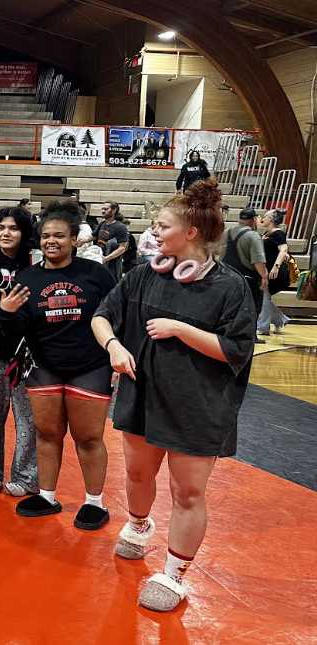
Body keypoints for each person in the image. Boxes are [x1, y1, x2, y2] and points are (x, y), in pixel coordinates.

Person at [92, 178, 256, 612]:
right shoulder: (143, 275)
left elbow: (235, 350)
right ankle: (140, 525)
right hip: (141, 398)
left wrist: (180, 329)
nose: (154, 231)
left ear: (191, 234)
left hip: (198, 408)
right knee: (138, 476)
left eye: (162, 225)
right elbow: (101, 317)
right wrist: (113, 346)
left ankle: (175, 573)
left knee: (187, 494)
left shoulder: (231, 287)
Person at [0, 199, 116, 531]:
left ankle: (95, 502)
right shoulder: (27, 277)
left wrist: (117, 356)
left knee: (89, 437)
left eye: (60, 236)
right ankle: (48, 496)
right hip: (45, 366)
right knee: (47, 434)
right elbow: (14, 330)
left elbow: (116, 317)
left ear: (75, 238)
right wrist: (5, 313)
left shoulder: (96, 275)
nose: (52, 241)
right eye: (46, 235)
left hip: (90, 366)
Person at [0, 206, 39, 496]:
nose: (6, 233)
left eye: (12, 228)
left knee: (28, 419)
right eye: (0, 227)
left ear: (24, 232)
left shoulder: (37, 261)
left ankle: (25, 477)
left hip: (29, 355)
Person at [219, 208, 267, 341]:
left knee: (228, 307)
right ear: (253, 220)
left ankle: (226, 332)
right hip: (247, 279)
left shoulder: (227, 233)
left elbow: (220, 254)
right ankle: (249, 335)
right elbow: (258, 260)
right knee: (252, 307)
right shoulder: (253, 236)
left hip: (226, 275)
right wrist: (264, 276)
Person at [257, 209, 291, 336]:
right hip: (265, 270)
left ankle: (263, 327)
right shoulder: (268, 232)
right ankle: (281, 319)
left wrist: (276, 267)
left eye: (265, 216)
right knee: (264, 297)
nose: (263, 218)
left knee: (264, 297)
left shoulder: (278, 234)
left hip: (273, 271)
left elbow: (283, 250)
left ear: (271, 219)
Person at [96, 202, 129, 281]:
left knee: (111, 285)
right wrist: (81, 241)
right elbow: (93, 236)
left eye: (106, 209)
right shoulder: (102, 224)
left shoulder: (120, 227)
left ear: (114, 210)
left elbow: (122, 248)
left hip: (112, 264)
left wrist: (106, 258)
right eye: (102, 209)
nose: (103, 211)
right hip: (100, 260)